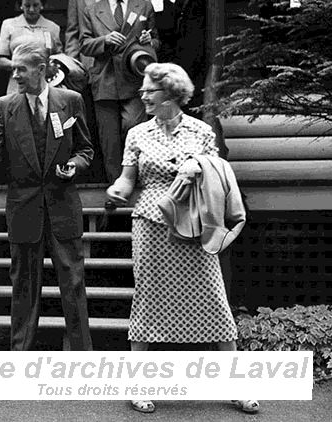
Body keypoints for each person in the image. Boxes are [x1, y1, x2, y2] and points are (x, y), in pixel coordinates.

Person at [105, 63, 259, 414]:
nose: (142, 94)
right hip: (150, 222)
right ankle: (139, 384)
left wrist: (199, 167)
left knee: (214, 299)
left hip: (193, 224)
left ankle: (235, 385)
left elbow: (217, 177)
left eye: (149, 90)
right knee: (147, 299)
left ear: (171, 94)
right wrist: (117, 189)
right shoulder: (137, 133)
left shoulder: (201, 131)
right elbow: (129, 180)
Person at [0, 41, 94, 351]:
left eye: (21, 69)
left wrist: (74, 167)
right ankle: (19, 359)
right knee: (23, 288)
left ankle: (83, 356)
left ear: (42, 69)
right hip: (24, 210)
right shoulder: (3, 107)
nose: (16, 75)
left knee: (74, 287)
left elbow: (86, 150)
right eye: (13, 69)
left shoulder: (71, 101)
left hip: (63, 209)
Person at [79, 0, 159, 189]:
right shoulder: (92, 10)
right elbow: (84, 44)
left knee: (135, 128)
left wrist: (149, 41)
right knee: (109, 143)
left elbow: (156, 41)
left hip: (133, 81)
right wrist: (104, 40)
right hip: (104, 81)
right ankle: (117, 192)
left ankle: (141, 185)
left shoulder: (144, 6)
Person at [65, 0, 141, 182]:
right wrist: (73, 68)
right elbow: (73, 34)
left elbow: (138, 19)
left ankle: (129, 179)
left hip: (125, 71)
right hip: (90, 72)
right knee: (100, 133)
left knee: (129, 126)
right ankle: (106, 184)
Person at [0, 0, 63, 95]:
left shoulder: (52, 28)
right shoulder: (9, 25)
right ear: (21, 5)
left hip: (45, 87)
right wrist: (20, 65)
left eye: (35, 5)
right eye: (27, 5)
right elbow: (0, 61)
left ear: (42, 4)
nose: (31, 9)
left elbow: (59, 58)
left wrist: (52, 67)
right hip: (17, 87)